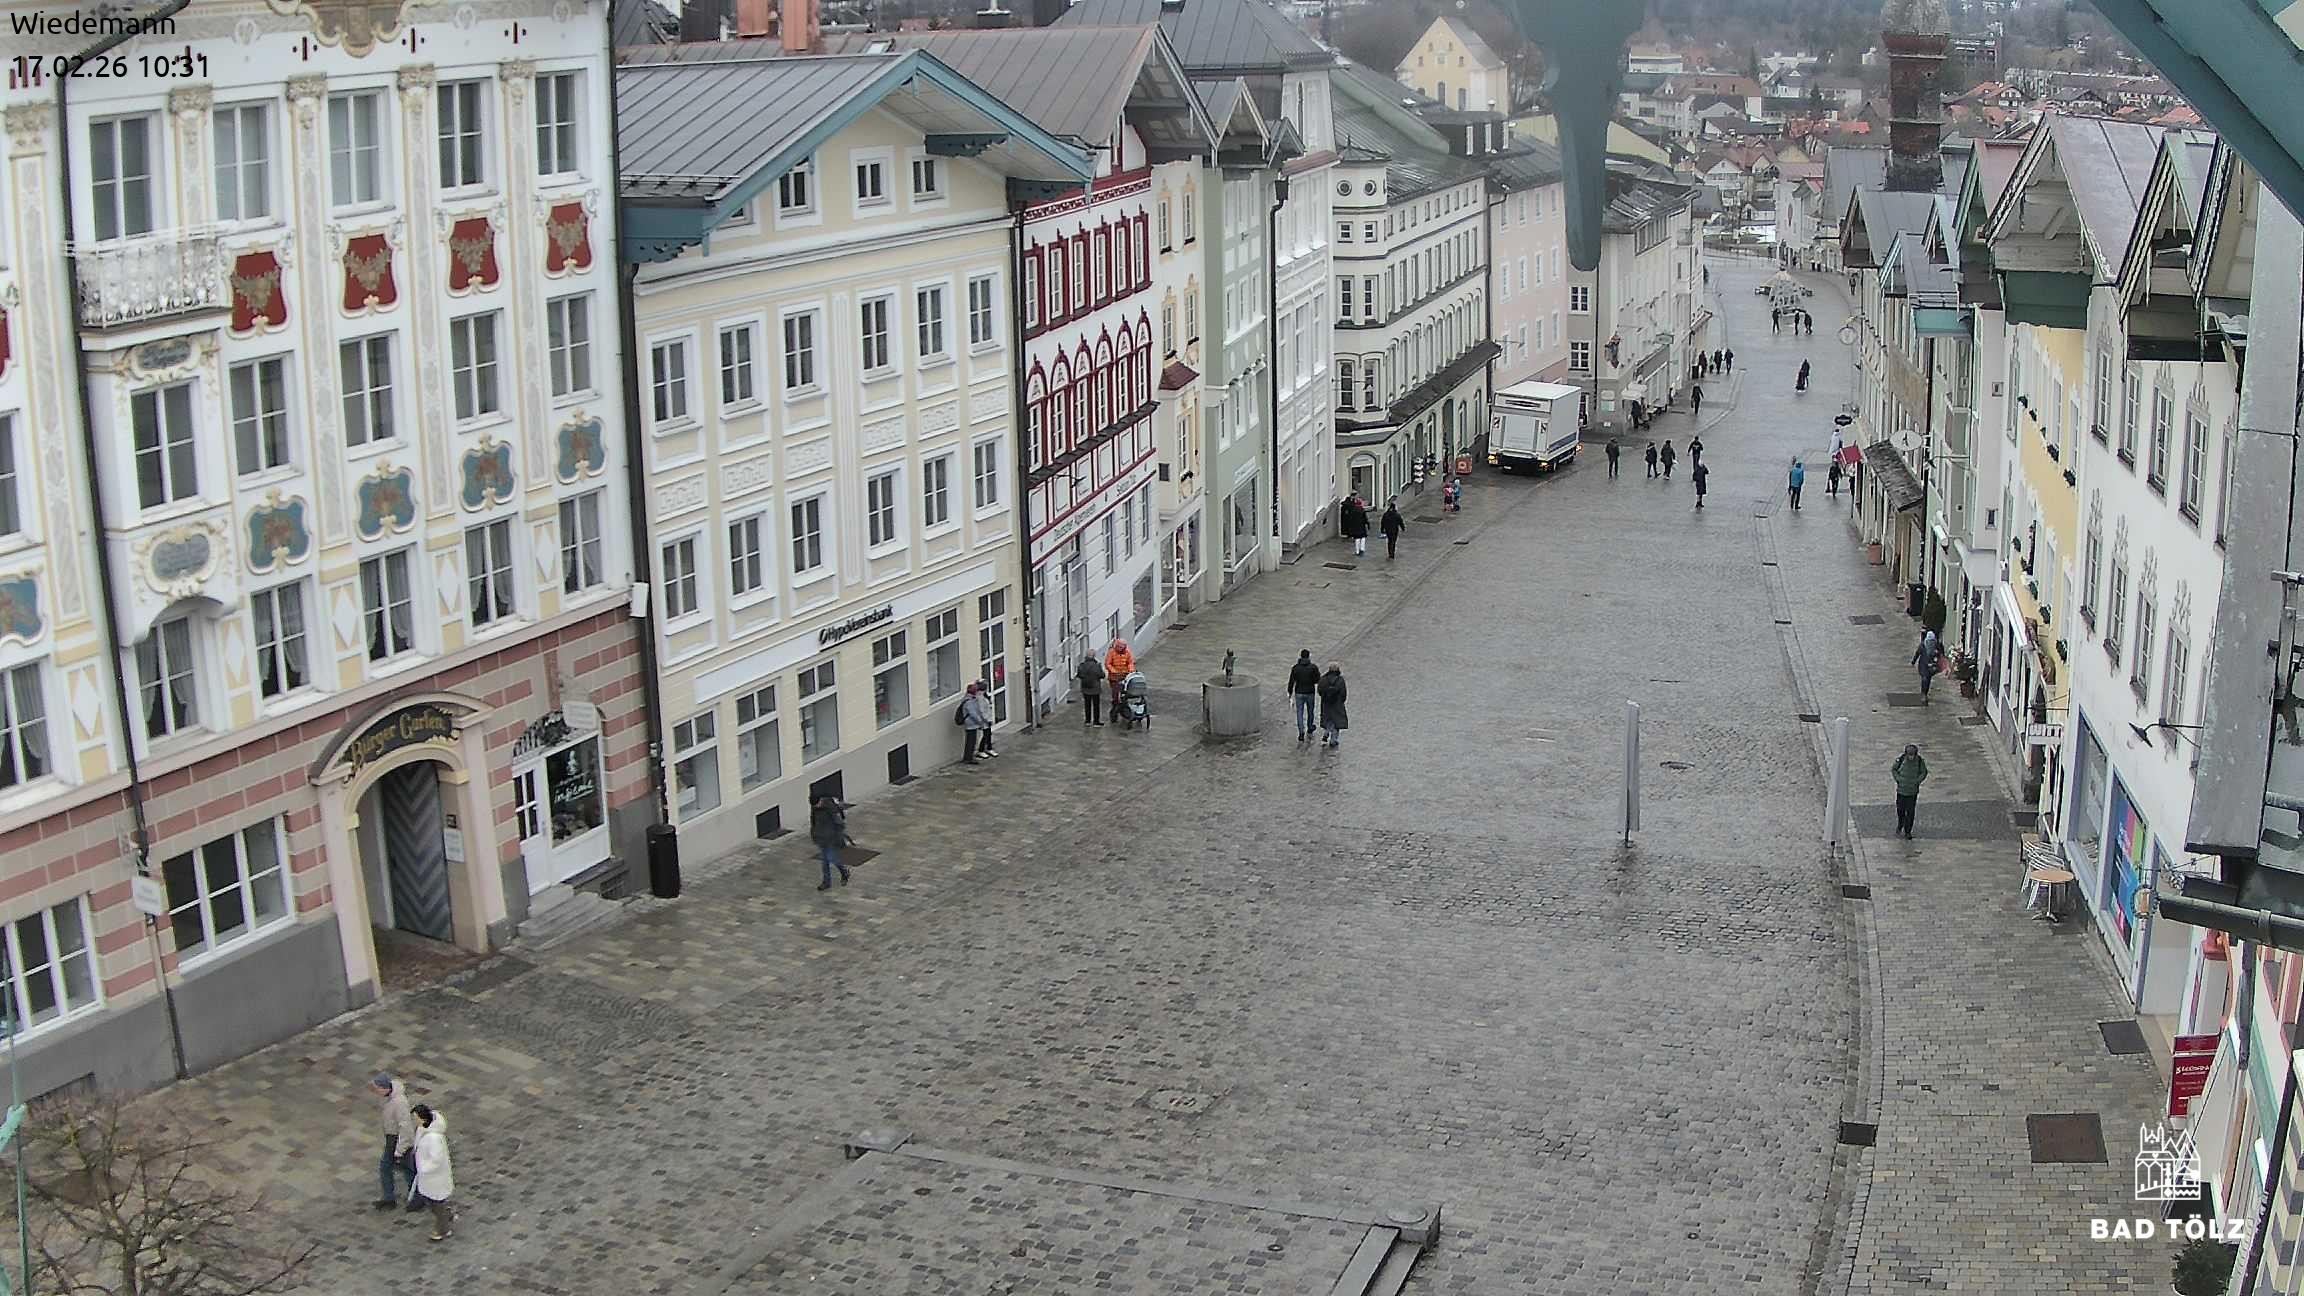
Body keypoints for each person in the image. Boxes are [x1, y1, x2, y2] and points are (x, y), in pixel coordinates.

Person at [409, 1104, 455, 1242]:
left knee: (436, 1203)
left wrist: (423, 1169)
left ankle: (443, 1229)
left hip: (434, 1178)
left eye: (415, 1117)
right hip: (428, 1178)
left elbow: (436, 1159)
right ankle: (447, 1215)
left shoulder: (433, 1138)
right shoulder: (423, 1130)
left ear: (423, 1119)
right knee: (432, 1200)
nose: (414, 1120)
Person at [371, 1073, 417, 1211]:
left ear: (384, 1087)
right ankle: (389, 1198)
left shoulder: (399, 1102)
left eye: (377, 1088)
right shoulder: (390, 1098)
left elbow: (405, 1127)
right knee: (391, 1168)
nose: (376, 1091)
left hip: (399, 1140)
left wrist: (400, 1149)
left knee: (406, 1169)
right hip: (392, 1138)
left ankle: (415, 1198)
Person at [810, 794, 851, 890]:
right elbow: (813, 822)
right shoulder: (815, 809)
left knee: (831, 858)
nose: (816, 807)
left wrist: (838, 834)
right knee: (824, 862)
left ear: (820, 801)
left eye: (817, 804)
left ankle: (844, 871)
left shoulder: (830, 808)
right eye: (814, 806)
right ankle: (826, 882)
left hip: (832, 838)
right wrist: (814, 834)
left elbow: (839, 822)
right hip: (821, 838)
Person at [1891, 744, 1929, 839]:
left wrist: (1917, 781)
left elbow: (1924, 772)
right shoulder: (1901, 760)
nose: (1911, 757)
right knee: (1900, 809)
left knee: (1910, 811)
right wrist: (1898, 779)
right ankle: (1900, 824)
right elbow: (1894, 769)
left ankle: (1908, 831)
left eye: (1913, 755)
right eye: (1909, 755)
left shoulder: (1920, 761)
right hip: (1901, 790)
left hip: (1912, 792)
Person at [1288, 650, 1321, 742]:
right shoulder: (1313, 667)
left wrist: (1289, 692)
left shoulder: (1295, 668)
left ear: (1300, 656)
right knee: (1310, 711)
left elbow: (1291, 681)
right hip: (1310, 692)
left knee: (1299, 712)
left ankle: (1301, 731)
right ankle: (1310, 727)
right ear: (1309, 656)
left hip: (1299, 692)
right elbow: (1317, 680)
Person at [959, 682, 994, 762]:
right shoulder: (969, 701)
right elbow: (973, 713)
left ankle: (969, 757)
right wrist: (980, 722)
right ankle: (968, 758)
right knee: (971, 742)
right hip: (971, 724)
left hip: (972, 724)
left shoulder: (970, 699)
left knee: (972, 741)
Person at [1316, 663, 1349, 749]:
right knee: (1336, 721)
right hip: (1337, 704)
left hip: (1326, 703)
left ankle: (1326, 732)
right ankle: (1333, 740)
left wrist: (1324, 697)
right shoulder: (1340, 680)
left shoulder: (1323, 679)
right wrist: (1341, 701)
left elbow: (1319, 690)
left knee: (1328, 719)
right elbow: (1343, 693)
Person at [1103, 637, 1136, 713]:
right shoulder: (1111, 652)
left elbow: (1130, 662)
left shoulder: (1128, 652)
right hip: (1114, 677)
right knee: (1115, 693)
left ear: (1124, 646)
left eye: (1121, 647)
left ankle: (1124, 705)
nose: (1119, 648)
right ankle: (1114, 708)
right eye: (1118, 646)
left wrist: (1131, 670)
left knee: (1125, 692)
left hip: (1125, 676)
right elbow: (1108, 664)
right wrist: (1114, 671)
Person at [1075, 651, 1105, 726]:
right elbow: (1102, 675)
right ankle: (1096, 721)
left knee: (1087, 704)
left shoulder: (1082, 665)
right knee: (1096, 705)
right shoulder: (1097, 665)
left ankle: (1087, 721)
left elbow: (1079, 675)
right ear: (1094, 656)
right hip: (1095, 688)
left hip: (1085, 688)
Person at [1913, 629, 1944, 700]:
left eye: (1932, 641)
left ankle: (1925, 693)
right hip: (1923, 665)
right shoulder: (1923, 645)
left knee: (1928, 679)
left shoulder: (1937, 646)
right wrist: (1913, 661)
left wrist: (1937, 659)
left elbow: (1940, 654)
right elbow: (1917, 653)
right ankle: (1923, 693)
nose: (1931, 643)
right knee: (1925, 678)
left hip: (1931, 666)